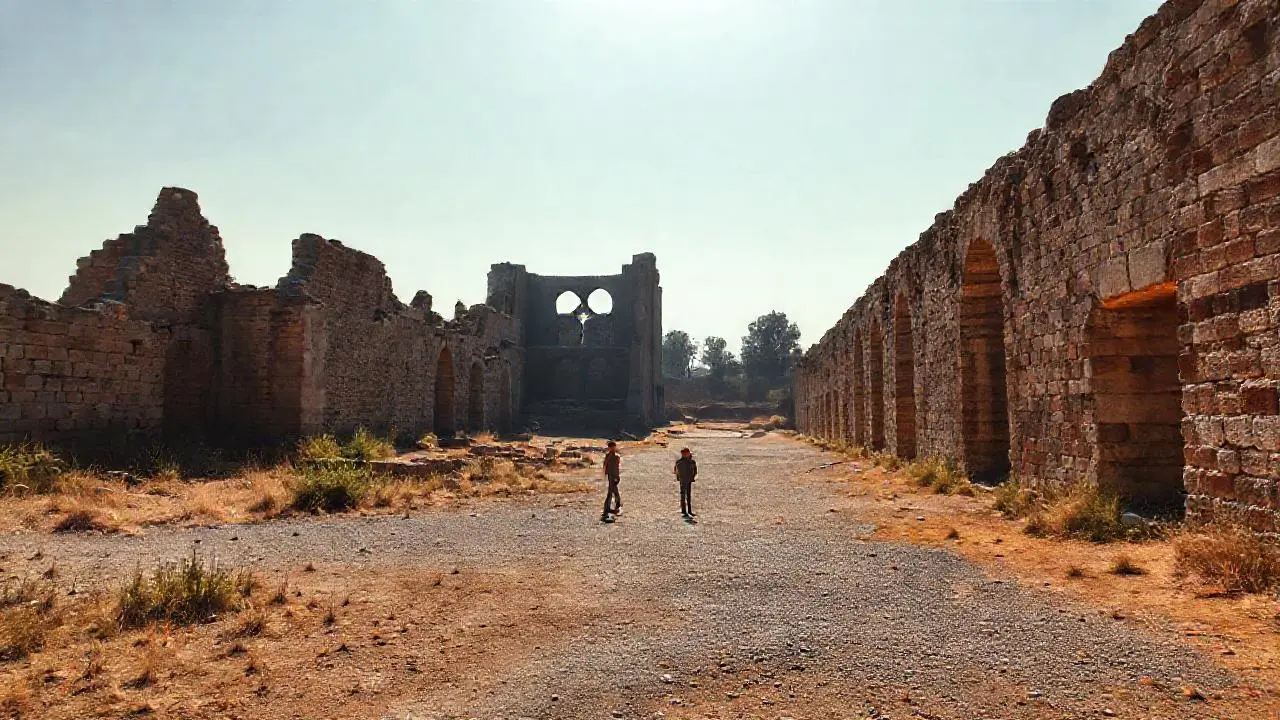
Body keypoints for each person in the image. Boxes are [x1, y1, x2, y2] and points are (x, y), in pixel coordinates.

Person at [601, 440, 622, 521]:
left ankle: (608, 508)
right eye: (610, 447)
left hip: (614, 476)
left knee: (611, 492)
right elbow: (605, 465)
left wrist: (616, 477)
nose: (611, 448)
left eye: (613, 447)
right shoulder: (607, 455)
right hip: (610, 475)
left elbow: (617, 467)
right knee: (614, 491)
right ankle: (617, 505)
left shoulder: (617, 456)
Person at [674, 447, 697, 518]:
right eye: (684, 453)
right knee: (683, 495)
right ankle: (684, 510)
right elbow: (676, 471)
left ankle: (689, 510)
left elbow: (695, 470)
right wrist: (679, 478)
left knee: (688, 495)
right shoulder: (679, 462)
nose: (685, 455)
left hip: (688, 480)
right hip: (683, 480)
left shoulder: (692, 462)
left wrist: (692, 477)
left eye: (686, 453)